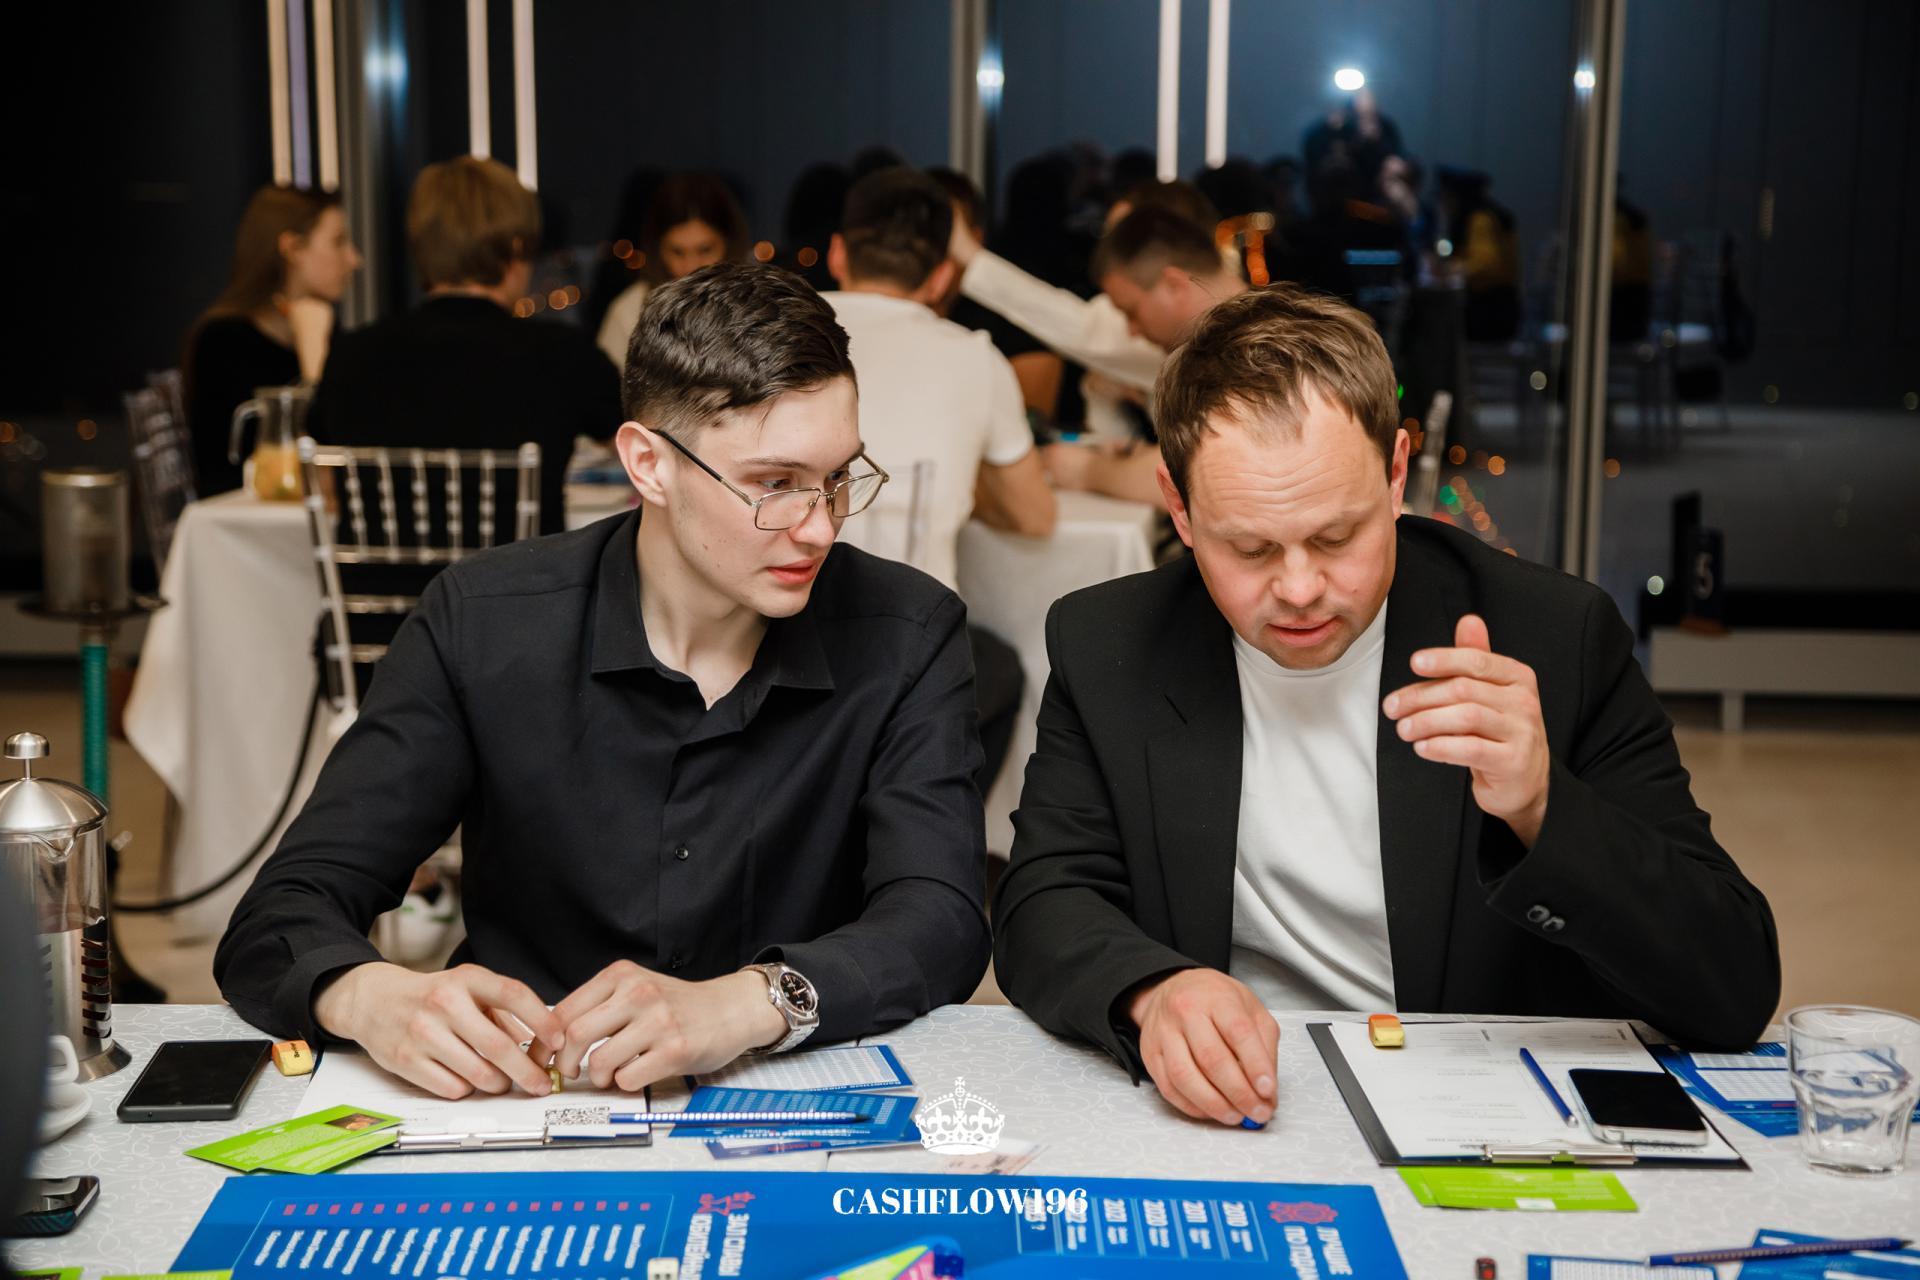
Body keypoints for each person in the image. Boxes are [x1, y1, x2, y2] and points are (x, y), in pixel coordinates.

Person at [993, 285, 1780, 1128]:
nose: (1300, 589)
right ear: (1178, 507)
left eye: (1337, 537)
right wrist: (1152, 991)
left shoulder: (1554, 636)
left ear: (1398, 473)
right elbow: (1041, 899)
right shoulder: (1111, 645)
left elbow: (1733, 987)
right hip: (1234, 1117)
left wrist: (1544, 808)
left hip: (1475, 1117)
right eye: (1250, 548)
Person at [217, 261, 992, 1099]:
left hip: (795, 1102)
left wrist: (756, 1001)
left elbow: (941, 917)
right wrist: (368, 996)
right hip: (522, 1104)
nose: (819, 527)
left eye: (838, 478)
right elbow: (288, 907)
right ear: (648, 464)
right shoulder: (483, 621)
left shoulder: (907, 632)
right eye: (775, 485)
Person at [823, 166, 1056, 793]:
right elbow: (1035, 516)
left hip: (769, 636)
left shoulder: (777, 333)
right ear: (942, 275)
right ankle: (937, 819)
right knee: (999, 668)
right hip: (911, 653)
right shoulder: (974, 356)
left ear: (838, 253)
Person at [307, 156, 620, 533]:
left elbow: (323, 476)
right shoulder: (563, 355)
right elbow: (638, 445)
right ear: (516, 249)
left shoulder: (351, 354)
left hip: (379, 572)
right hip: (519, 572)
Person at [1039, 206, 1249, 509]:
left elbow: (1201, 476)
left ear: (1174, 285)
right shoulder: (1233, 334)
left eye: (1131, 312)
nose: (1132, 331)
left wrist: (1086, 470)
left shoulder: (1245, 350)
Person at [183, 185, 362, 494]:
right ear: (292, 249)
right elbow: (226, 471)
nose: (354, 259)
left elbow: (349, 448)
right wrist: (313, 363)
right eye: (338, 242)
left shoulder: (327, 330)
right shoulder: (223, 341)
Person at [595, 172, 750, 367]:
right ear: (658, 250)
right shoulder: (629, 312)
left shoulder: (758, 306)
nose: (691, 266)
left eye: (705, 250)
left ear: (730, 244)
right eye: (677, 252)